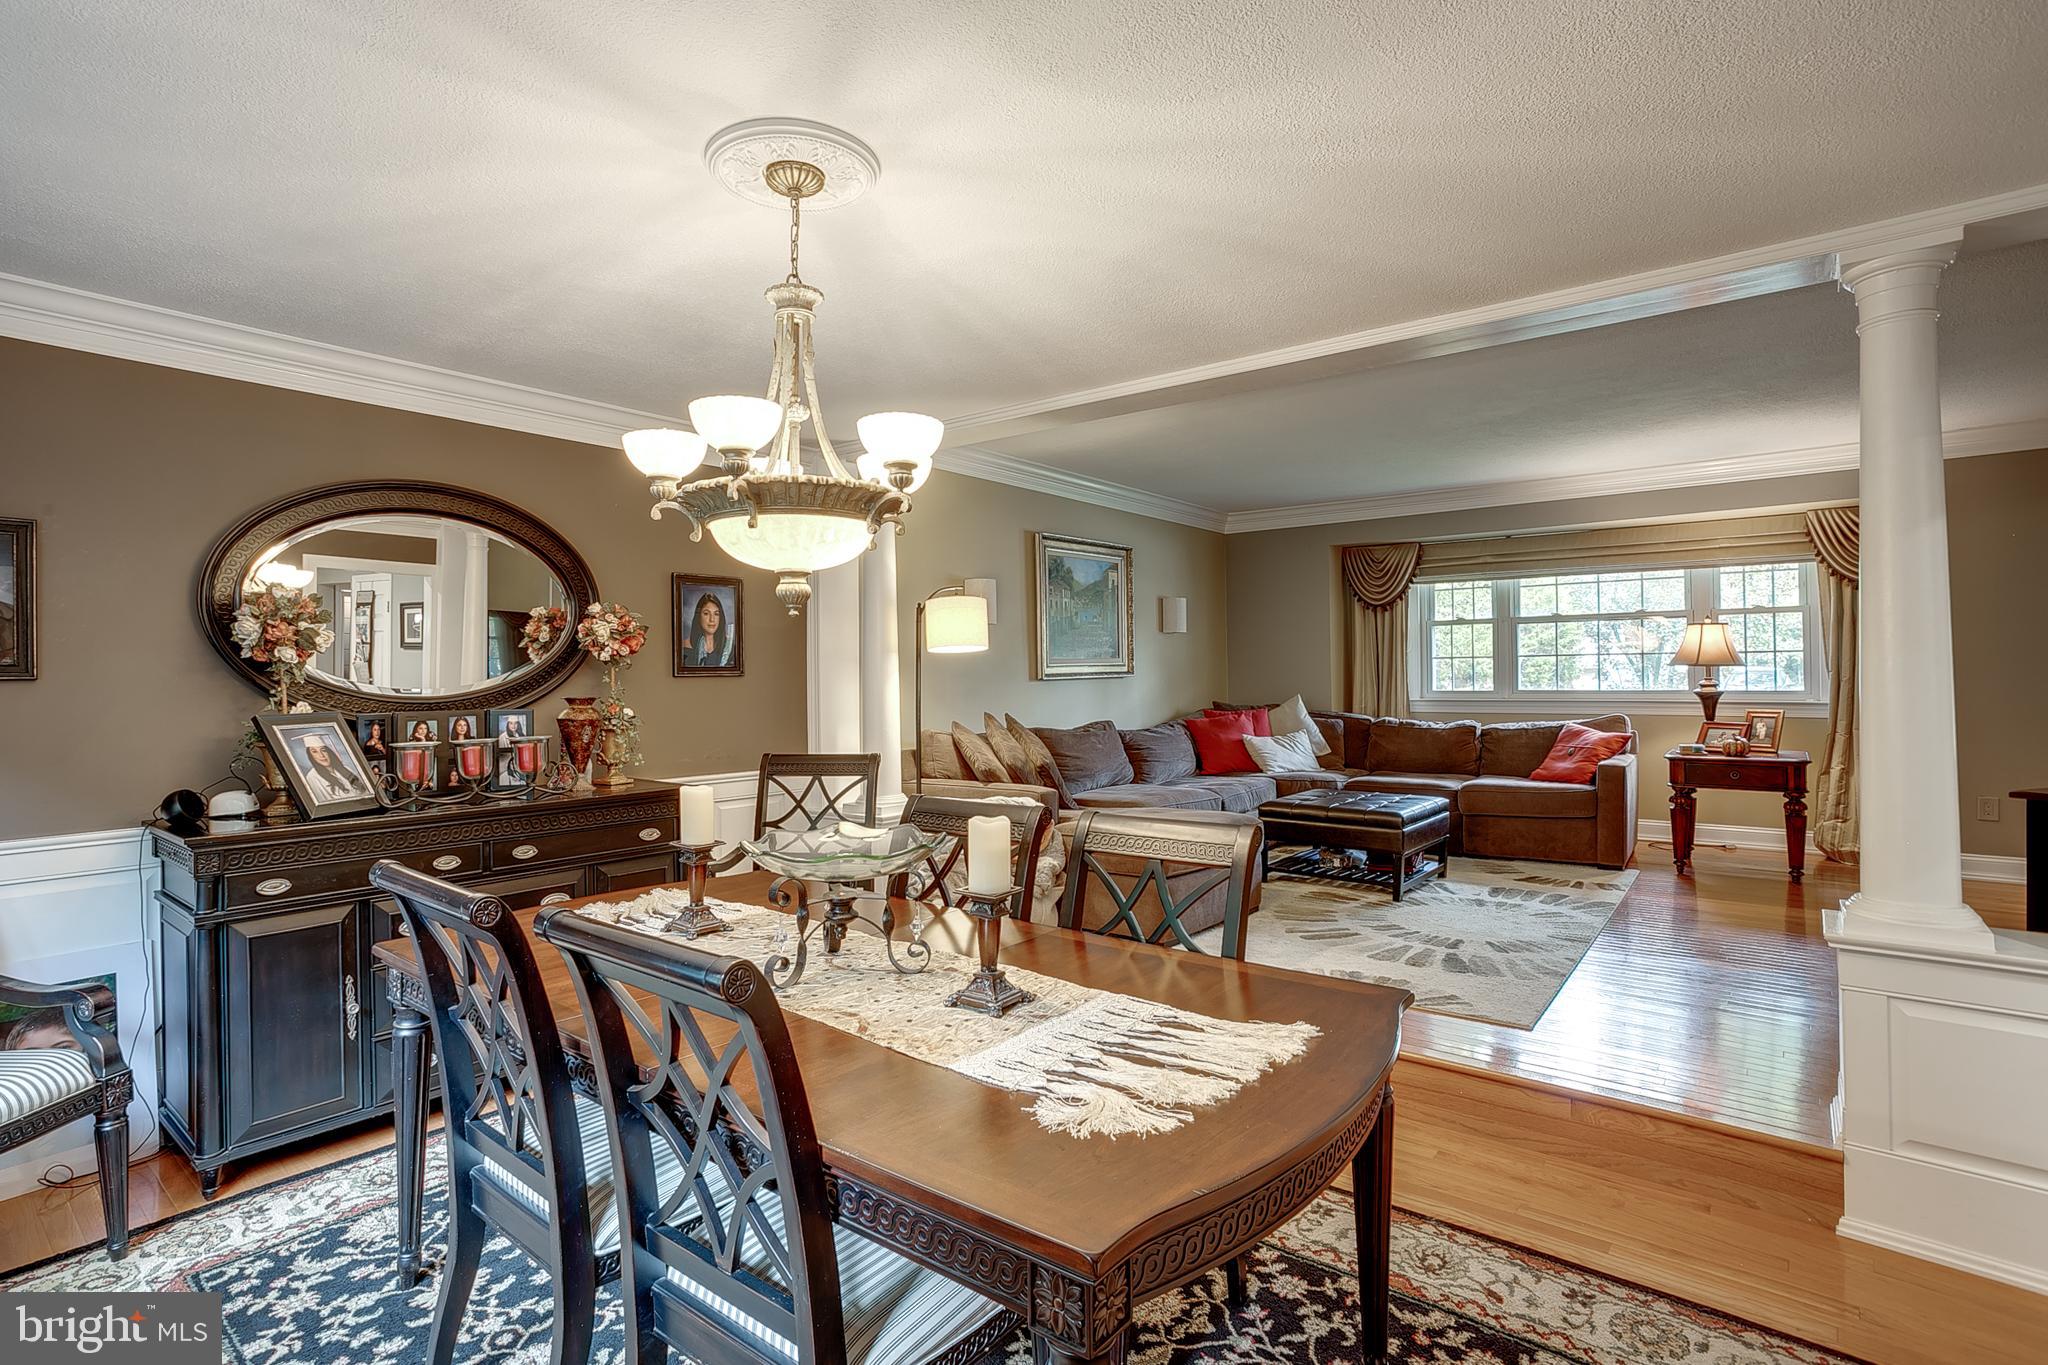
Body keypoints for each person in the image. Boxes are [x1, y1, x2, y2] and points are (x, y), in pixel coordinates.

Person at [297, 733, 371, 802]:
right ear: (311, 756)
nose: (321, 755)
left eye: (323, 750)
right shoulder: (312, 777)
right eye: (315, 752)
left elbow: (365, 791)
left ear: (329, 752)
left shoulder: (346, 768)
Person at [682, 591, 734, 668]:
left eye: (716, 614)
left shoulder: (730, 647)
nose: (712, 619)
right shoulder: (685, 647)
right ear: (698, 616)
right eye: (706, 613)